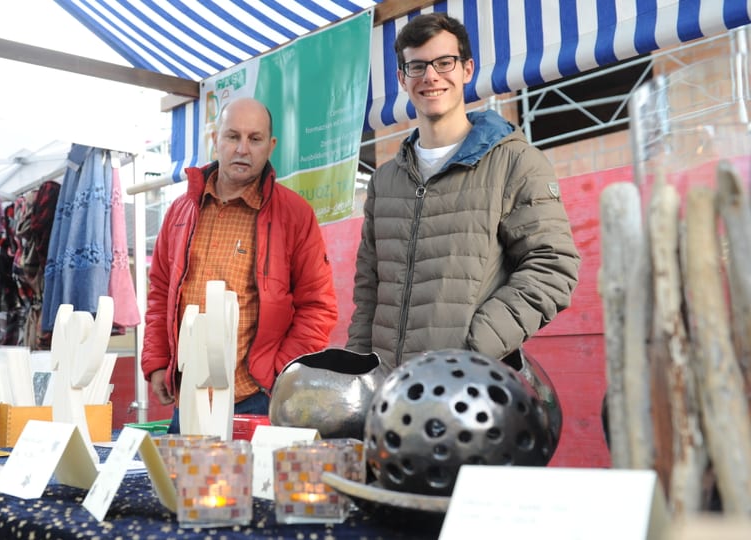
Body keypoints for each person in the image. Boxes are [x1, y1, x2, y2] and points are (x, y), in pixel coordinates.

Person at [347, 13, 580, 372]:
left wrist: (474, 346)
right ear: (401, 78)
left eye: (444, 62)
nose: (431, 76)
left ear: (467, 69)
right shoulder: (385, 181)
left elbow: (553, 268)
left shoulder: (516, 163)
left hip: (465, 390)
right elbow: (368, 291)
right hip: (389, 393)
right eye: (417, 66)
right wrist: (359, 371)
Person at [143, 97, 338, 432]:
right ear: (215, 139)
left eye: (255, 138)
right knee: (180, 485)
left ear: (271, 145)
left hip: (256, 397)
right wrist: (158, 361)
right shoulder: (180, 211)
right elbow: (161, 292)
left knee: (251, 486)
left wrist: (279, 372)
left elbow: (318, 306)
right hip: (187, 394)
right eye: (233, 136)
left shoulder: (294, 214)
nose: (243, 149)